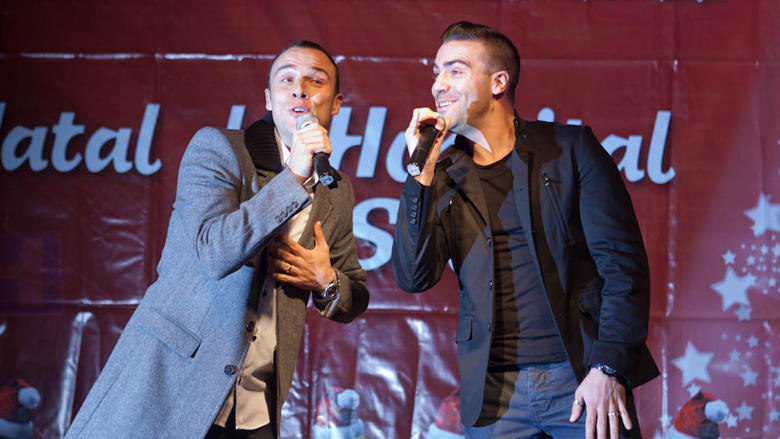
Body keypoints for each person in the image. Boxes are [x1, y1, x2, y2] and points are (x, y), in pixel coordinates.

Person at [66, 41, 369, 439]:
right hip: (173, 384)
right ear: (268, 98)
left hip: (256, 407)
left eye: (315, 81)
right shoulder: (219, 149)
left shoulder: (335, 189)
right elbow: (214, 252)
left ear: (336, 103)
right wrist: (293, 175)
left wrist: (326, 280)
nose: (300, 90)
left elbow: (353, 293)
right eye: (287, 80)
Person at [391, 21, 658, 439]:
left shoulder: (569, 149)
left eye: (455, 71)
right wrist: (419, 177)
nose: (438, 85)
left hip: (580, 378)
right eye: (436, 73)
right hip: (495, 395)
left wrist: (609, 368)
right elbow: (413, 277)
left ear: (498, 82)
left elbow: (624, 268)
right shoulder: (441, 177)